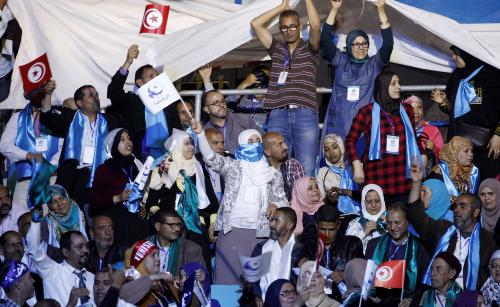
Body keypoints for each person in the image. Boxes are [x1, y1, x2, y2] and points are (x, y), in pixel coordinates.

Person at [191, 121, 288, 285]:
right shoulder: (232, 167)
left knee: (257, 284)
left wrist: (276, 206)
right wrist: (201, 134)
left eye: (258, 142)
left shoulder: (273, 174)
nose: (254, 145)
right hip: (232, 232)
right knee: (228, 281)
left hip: (260, 235)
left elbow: (283, 199)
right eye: (250, 142)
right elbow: (210, 159)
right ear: (241, 144)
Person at [251, 0, 321, 176]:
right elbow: (255, 24)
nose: (288, 31)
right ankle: (280, 203)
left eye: (292, 27)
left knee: (307, 167)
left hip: (305, 113)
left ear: (300, 27)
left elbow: (315, 24)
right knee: (275, 168)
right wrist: (282, 8)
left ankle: (304, 204)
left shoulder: (311, 49)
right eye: (284, 28)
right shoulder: (276, 49)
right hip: (278, 114)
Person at [407, 162, 498, 291]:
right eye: (455, 206)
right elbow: (415, 215)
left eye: (462, 206)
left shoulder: (488, 240)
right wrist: (417, 183)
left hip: (470, 298)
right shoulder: (442, 230)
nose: (456, 210)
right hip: (439, 295)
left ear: (476, 212)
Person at [346, 71, 425, 202]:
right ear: (383, 86)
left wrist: (422, 156)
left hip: (403, 179)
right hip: (377, 177)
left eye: (399, 83)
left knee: (402, 219)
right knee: (377, 221)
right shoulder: (366, 112)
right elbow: (350, 140)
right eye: (393, 83)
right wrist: (357, 166)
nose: (398, 87)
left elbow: (413, 138)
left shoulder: (407, 109)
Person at [321, 0, 393, 142]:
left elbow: (388, 44)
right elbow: (325, 40)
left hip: (364, 128)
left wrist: (381, 10)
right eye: (356, 44)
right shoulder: (340, 61)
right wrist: (334, 9)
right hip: (339, 126)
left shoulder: (374, 64)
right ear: (349, 46)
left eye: (364, 43)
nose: (361, 47)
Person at [40, 83, 119, 205]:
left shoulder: (109, 120)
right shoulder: (71, 119)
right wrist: (48, 94)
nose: (96, 98)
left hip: (103, 176)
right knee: (80, 217)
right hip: (76, 177)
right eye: (91, 96)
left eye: (97, 95)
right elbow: (48, 118)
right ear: (80, 103)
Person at [430, 46, 500, 180]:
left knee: (485, 183)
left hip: (485, 144)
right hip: (460, 142)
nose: (453, 57)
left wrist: (498, 135)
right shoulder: (457, 76)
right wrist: (444, 102)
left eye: (457, 54)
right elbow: (454, 111)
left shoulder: (491, 75)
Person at [145, 129, 211, 267]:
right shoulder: (164, 167)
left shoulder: (198, 167)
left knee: (197, 263)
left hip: (195, 224)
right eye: (186, 144)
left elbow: (209, 197)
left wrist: (212, 222)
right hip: (170, 227)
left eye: (192, 144)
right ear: (177, 146)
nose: (191, 147)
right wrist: (162, 217)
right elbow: (151, 201)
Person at [107, 44, 182, 159]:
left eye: (157, 76)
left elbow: (177, 129)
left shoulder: (167, 101)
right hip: (140, 156)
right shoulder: (131, 101)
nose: (156, 78)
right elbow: (113, 92)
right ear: (140, 82)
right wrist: (128, 62)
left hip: (169, 155)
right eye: (151, 76)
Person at [0, 81, 62, 210]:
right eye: (35, 90)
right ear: (26, 94)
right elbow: (4, 145)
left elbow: (64, 146)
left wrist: (50, 165)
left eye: (42, 89)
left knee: (50, 222)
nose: (40, 93)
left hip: (51, 180)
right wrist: (27, 155)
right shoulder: (17, 118)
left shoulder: (59, 117)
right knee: (21, 220)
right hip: (25, 181)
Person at [90, 128, 150, 247]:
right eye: (122, 140)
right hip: (118, 224)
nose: (128, 142)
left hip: (139, 223)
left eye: (129, 138)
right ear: (113, 145)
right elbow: (94, 202)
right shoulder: (105, 169)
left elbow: (145, 192)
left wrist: (144, 206)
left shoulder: (137, 164)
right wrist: (118, 197)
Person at [365, 203, 430, 306]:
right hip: (378, 301)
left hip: (405, 301)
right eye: (389, 223)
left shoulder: (420, 247)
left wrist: (412, 299)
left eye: (397, 222)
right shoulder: (374, 245)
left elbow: (426, 282)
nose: (392, 227)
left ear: (408, 222)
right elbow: (365, 277)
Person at [300, 205, 364, 302]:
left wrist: (345, 275)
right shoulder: (308, 245)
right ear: (316, 225)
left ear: (338, 225)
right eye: (322, 229)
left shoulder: (352, 244)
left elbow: (364, 274)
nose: (326, 234)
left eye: (331, 230)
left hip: (344, 300)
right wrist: (301, 265)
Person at [25, 227, 94, 305]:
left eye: (87, 246)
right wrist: (35, 220)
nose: (85, 250)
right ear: (66, 252)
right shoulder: (52, 271)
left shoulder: (93, 278)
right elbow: (34, 250)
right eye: (79, 247)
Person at [251, 207, 300, 299]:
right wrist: (256, 295)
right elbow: (253, 279)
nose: (271, 224)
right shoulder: (261, 249)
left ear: (289, 225)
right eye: (271, 220)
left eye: (276, 221)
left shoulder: (301, 251)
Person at [201, 89, 264, 154]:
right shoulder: (204, 130)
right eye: (216, 103)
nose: (222, 105)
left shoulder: (243, 119)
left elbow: (264, 139)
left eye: (223, 101)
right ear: (207, 109)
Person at [148, 209, 205, 276]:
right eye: (171, 225)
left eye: (178, 225)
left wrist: (201, 277)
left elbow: (202, 276)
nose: (177, 229)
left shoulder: (191, 249)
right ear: (158, 226)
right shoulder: (142, 247)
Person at [122, 240, 178, 306]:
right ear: (140, 261)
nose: (158, 259)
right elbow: (125, 295)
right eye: (153, 255)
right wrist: (153, 277)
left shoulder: (161, 284)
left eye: (158, 255)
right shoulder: (129, 284)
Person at [40, 184, 87, 262]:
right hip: (60, 261)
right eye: (54, 202)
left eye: (61, 198)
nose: (60, 204)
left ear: (67, 197)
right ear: (49, 206)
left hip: (85, 256)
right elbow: (48, 249)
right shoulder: (46, 222)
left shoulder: (80, 211)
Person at [316, 134, 360, 215]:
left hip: (357, 214)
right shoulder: (322, 172)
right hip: (333, 215)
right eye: (326, 149)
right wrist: (329, 199)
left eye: (335, 147)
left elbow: (363, 195)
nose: (331, 152)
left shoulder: (354, 169)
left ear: (342, 148)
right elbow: (320, 201)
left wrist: (343, 192)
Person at [403, 95, 444, 172]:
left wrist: (434, 148)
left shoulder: (433, 130)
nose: (416, 111)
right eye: (412, 108)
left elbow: (443, 155)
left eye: (419, 108)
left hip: (428, 175)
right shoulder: (401, 130)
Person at [263, 131, 305, 201]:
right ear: (268, 152)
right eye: (280, 144)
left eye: (284, 142)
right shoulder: (260, 169)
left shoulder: (293, 165)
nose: (285, 147)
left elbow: (301, 197)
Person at [346, 184, 387, 252]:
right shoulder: (355, 224)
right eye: (369, 201)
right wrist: (363, 233)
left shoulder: (391, 220)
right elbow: (347, 248)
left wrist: (388, 227)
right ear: (364, 203)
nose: (374, 205)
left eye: (377, 201)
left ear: (382, 201)